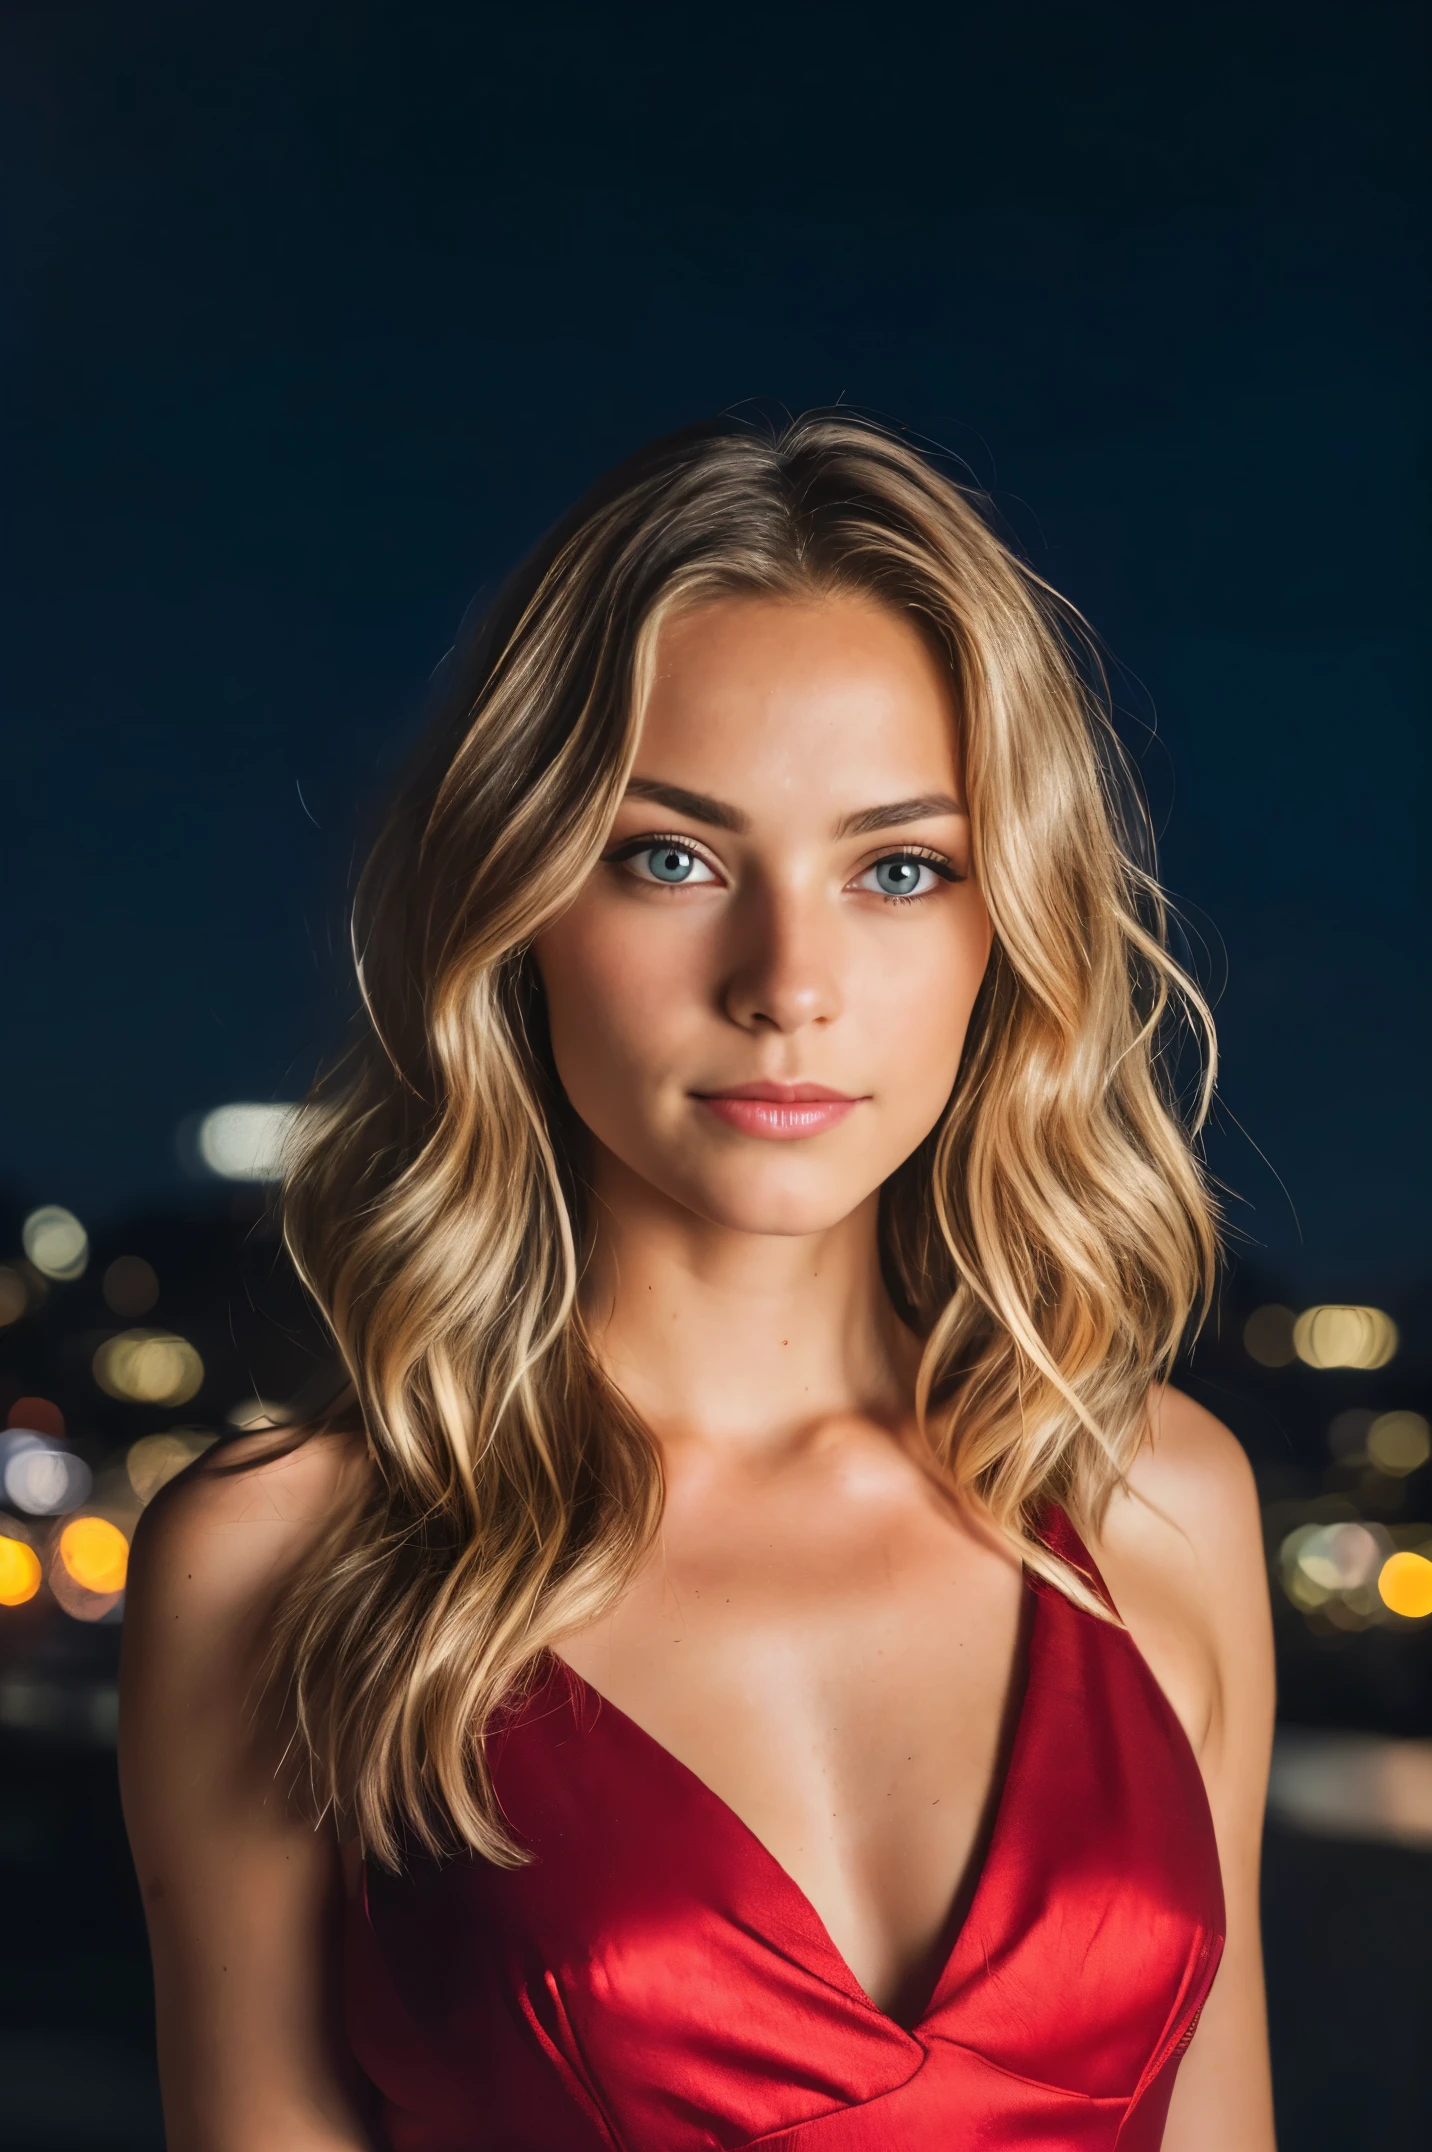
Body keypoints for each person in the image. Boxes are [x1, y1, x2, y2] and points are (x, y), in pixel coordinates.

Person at [119, 412, 1277, 2151]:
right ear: (519, 903)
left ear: (1006, 926)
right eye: (671, 856)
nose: (788, 980)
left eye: (900, 867)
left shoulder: (1161, 1508)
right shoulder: (282, 1563)